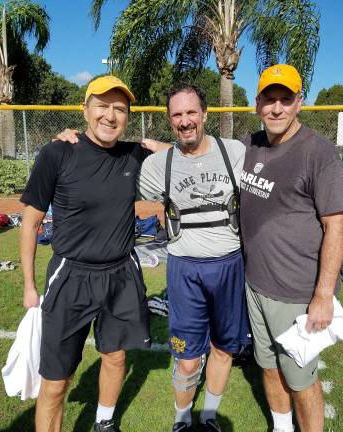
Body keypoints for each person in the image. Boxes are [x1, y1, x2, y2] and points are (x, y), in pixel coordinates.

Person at [19, 76, 151, 432]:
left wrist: (147, 141)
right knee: (57, 378)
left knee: (115, 355)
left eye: (120, 109)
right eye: (102, 106)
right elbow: (30, 223)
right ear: (85, 109)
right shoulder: (58, 152)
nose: (110, 116)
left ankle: (104, 423)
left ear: (127, 116)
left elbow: (183, 153)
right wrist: (30, 286)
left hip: (121, 275)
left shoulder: (133, 155)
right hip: (70, 277)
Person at [240, 64, 343, 432]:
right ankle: (282, 426)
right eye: (268, 100)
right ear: (257, 104)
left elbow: (336, 226)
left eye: (284, 100)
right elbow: (199, 152)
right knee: (269, 367)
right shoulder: (249, 145)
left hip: (296, 294)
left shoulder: (317, 152)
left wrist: (323, 295)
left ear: (299, 103)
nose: (276, 108)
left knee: (302, 381)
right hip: (255, 284)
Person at [138, 83, 250, 432]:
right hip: (184, 269)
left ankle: (210, 416)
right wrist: (74, 138)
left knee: (223, 348)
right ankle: (182, 419)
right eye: (177, 115)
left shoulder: (235, 152)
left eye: (191, 112)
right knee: (187, 358)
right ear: (169, 120)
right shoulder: (158, 165)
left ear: (205, 113)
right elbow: (110, 161)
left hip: (229, 264)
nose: (185, 121)